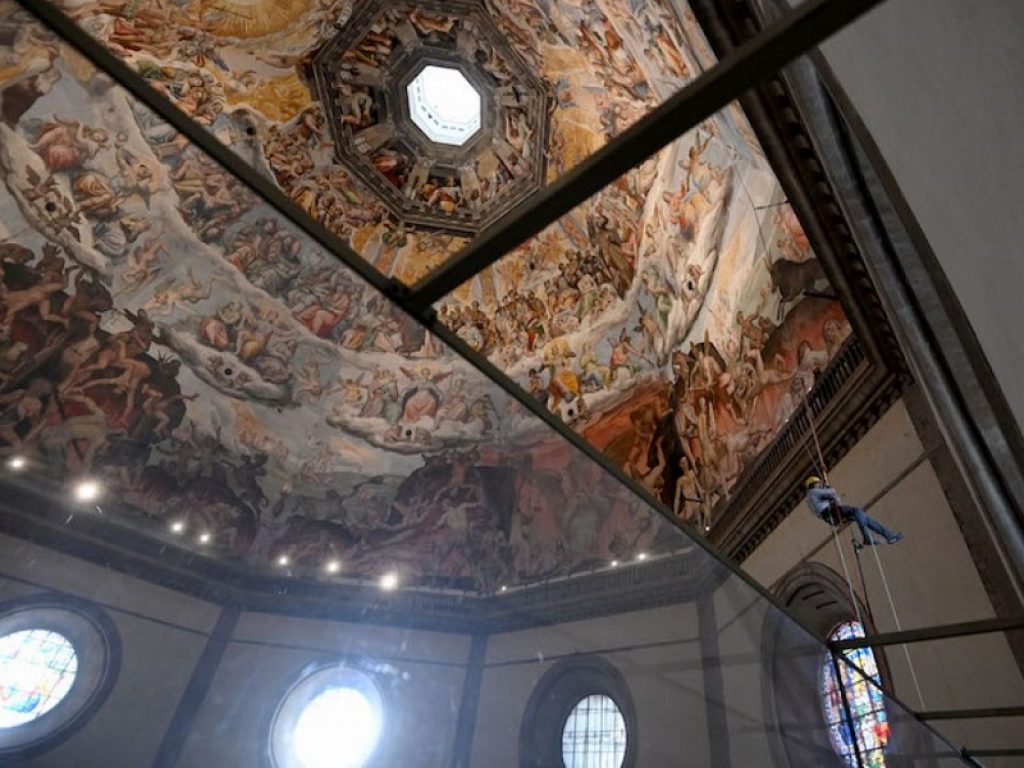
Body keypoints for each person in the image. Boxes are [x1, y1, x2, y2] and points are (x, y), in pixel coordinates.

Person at [805, 476, 904, 546]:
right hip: (832, 512)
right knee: (857, 511)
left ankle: (889, 535)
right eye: (818, 483)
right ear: (813, 484)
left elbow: (833, 500)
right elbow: (832, 492)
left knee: (864, 517)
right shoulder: (813, 492)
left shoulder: (810, 499)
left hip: (830, 516)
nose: (820, 485)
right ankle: (867, 538)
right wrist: (828, 488)